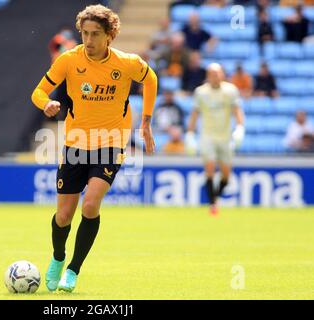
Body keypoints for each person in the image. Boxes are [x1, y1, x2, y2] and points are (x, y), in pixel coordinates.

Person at [31, 4, 157, 293]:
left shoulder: (126, 63)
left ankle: (73, 270)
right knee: (63, 216)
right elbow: (38, 91)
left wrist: (146, 121)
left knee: (90, 205)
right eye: (85, 33)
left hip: (111, 143)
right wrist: (46, 103)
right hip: (75, 145)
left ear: (110, 35)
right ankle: (58, 258)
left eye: (95, 34)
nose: (88, 41)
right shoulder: (69, 60)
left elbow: (150, 78)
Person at [185, 63, 245, 216]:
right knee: (210, 168)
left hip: (225, 137)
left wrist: (239, 128)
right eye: (212, 73)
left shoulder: (231, 91)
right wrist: (190, 134)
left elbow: (237, 111)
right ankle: (213, 204)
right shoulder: (200, 92)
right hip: (207, 136)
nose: (215, 76)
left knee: (226, 174)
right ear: (208, 76)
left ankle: (215, 198)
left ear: (223, 74)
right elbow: (195, 114)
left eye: (217, 73)